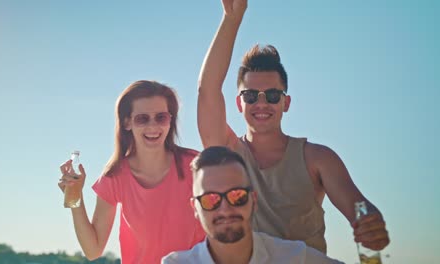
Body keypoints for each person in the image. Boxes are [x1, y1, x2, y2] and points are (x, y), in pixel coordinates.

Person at [196, 0, 389, 253]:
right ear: (239, 103)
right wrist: (232, 19)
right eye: (251, 95)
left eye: (273, 95)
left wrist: (372, 227)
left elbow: (361, 210)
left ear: (286, 103)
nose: (261, 103)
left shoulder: (318, 159)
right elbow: (207, 90)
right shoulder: (227, 154)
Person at [58, 80, 205, 263]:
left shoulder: (197, 166)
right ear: (127, 122)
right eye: (142, 118)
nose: (153, 126)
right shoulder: (115, 177)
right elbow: (93, 250)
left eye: (161, 117)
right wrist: (75, 198)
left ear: (170, 120)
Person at [162, 146, 343, 264]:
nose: (225, 209)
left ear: (253, 201)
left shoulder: (294, 258)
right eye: (211, 199)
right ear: (195, 208)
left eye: (237, 196)